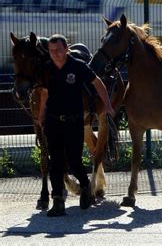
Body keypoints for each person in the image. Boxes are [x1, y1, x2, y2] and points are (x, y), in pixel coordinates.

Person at [36, 34, 114, 217]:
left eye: (58, 50)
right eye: (51, 50)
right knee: (55, 161)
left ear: (66, 49)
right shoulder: (47, 69)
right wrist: (41, 115)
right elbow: (45, 94)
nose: (54, 54)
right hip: (54, 121)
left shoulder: (77, 66)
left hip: (74, 121)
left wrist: (108, 104)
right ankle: (57, 201)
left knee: (74, 161)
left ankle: (85, 186)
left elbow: (97, 83)